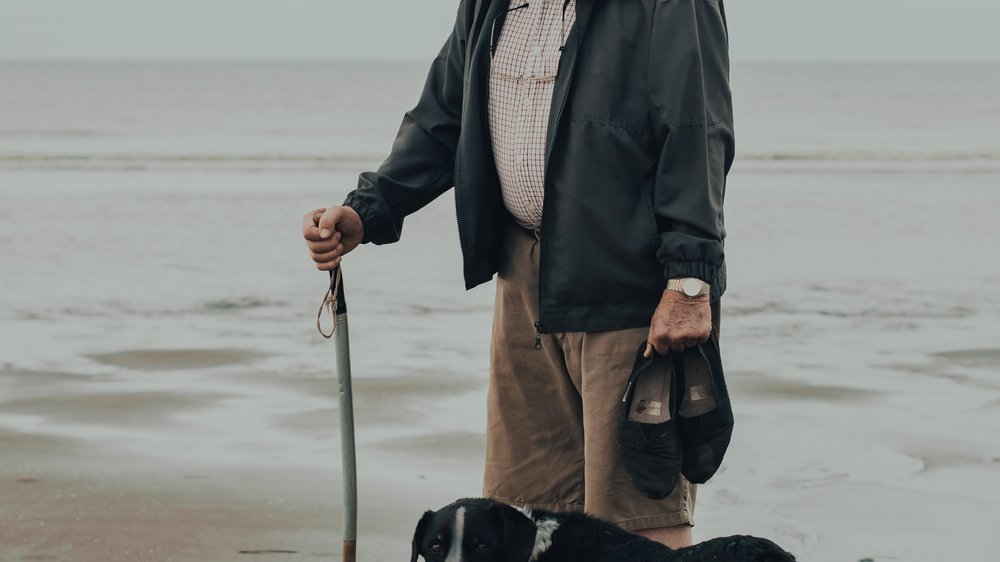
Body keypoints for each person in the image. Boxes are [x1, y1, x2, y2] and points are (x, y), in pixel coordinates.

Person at [302, 0, 733, 549]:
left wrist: (689, 282)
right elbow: (443, 116)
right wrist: (369, 208)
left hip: (633, 288)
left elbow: (696, 129)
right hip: (524, 281)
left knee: (638, 526)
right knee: (520, 515)